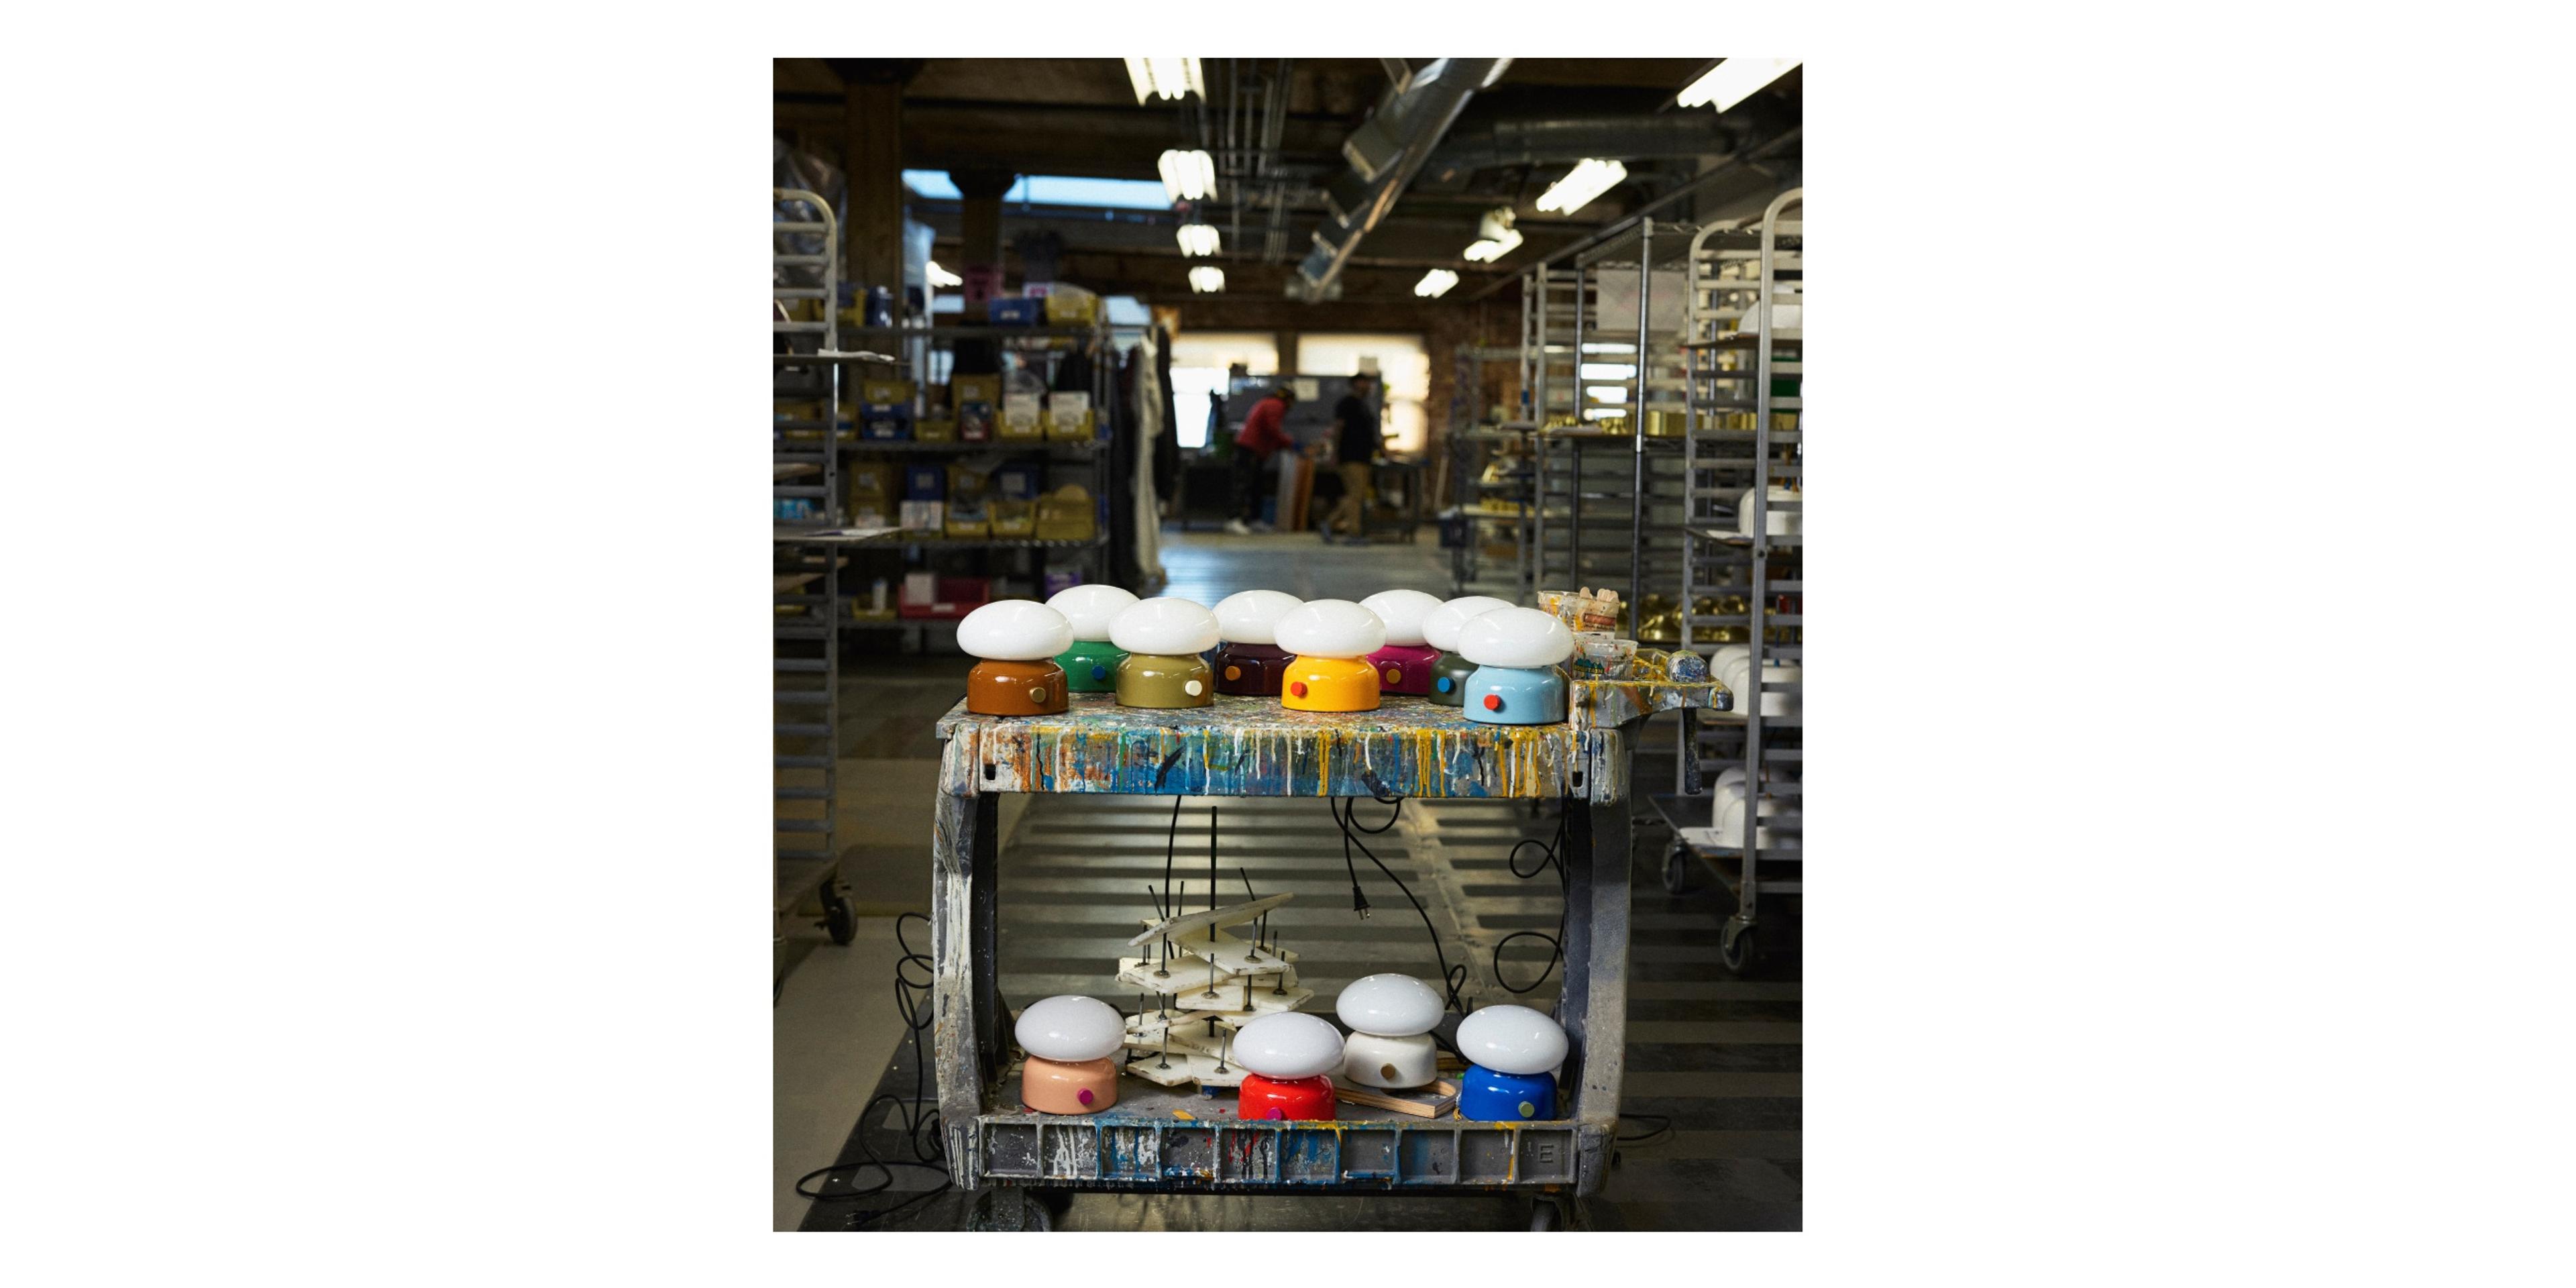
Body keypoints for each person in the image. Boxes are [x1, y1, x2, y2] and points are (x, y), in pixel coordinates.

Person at [1226, 383, 1297, 536]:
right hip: (1249, 450)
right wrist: (1290, 443)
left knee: (1256, 485)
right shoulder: (1275, 405)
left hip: (1255, 452)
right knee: (1242, 484)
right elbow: (1272, 430)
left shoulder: (1268, 403)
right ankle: (1234, 519)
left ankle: (1255, 520)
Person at [1324, 372, 1382, 541]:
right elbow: (1338, 429)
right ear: (1356, 384)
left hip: (1364, 457)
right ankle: (1353, 534)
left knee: (1357, 496)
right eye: (1365, 383)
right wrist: (1334, 454)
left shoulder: (1364, 406)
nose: (1368, 387)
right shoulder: (1347, 404)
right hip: (1350, 457)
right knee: (1356, 496)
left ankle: (1329, 524)